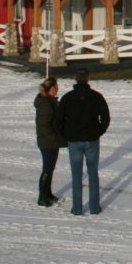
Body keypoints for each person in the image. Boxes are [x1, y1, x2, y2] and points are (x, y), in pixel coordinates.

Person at [54, 68, 110, 215]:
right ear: (88, 79)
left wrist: (66, 134)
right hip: (91, 139)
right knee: (93, 173)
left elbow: (58, 120)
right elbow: (105, 117)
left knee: (76, 174)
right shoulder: (96, 97)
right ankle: (94, 207)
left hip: (74, 140)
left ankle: (77, 208)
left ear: (76, 79)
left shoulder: (67, 98)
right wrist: (99, 131)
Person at [34, 77, 67, 207]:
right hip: (48, 142)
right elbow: (44, 125)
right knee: (47, 169)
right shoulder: (46, 104)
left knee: (50, 168)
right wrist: (54, 139)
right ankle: (42, 197)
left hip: (51, 141)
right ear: (50, 89)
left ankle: (48, 193)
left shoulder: (49, 102)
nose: (58, 89)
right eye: (56, 87)